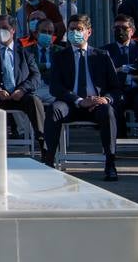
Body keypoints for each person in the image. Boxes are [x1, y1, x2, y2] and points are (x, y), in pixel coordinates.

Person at [43, 14, 123, 180]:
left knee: (108, 111)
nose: (75, 33)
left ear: (89, 32)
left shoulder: (102, 56)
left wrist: (105, 99)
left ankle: (110, 163)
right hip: (72, 104)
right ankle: (48, 161)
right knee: (53, 109)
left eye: (79, 29)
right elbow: (55, 87)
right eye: (71, 29)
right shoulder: (60, 56)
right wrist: (79, 101)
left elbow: (116, 88)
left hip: (97, 105)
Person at [0, 15, 45, 147]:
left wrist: (22, 89)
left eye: (5, 28)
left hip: (20, 95)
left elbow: (36, 77)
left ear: (13, 30)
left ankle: (43, 143)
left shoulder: (25, 53)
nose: (1, 31)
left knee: (34, 101)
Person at [103, 14, 138, 161]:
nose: (120, 31)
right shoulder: (105, 51)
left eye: (124, 28)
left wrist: (125, 68)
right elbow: (106, 73)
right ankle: (112, 147)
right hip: (118, 90)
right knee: (112, 103)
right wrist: (136, 71)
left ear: (132, 30)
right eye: (116, 28)